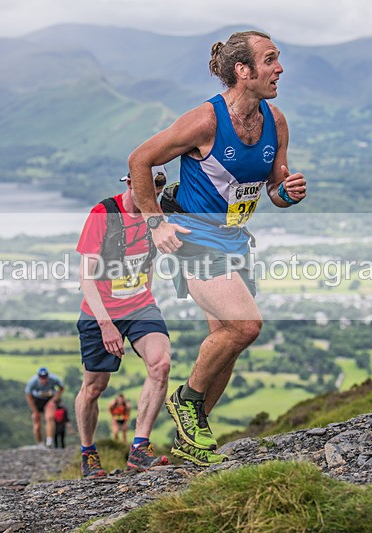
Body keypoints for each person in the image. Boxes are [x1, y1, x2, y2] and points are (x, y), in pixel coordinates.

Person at [127, 30, 306, 466]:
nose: (279, 68)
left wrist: (288, 192)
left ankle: (191, 440)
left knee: (224, 341)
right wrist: (156, 225)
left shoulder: (275, 121)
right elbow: (139, 161)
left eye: (278, 59)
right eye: (270, 60)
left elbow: (273, 188)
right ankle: (185, 401)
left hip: (233, 241)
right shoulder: (205, 121)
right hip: (192, 237)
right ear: (242, 71)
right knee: (245, 327)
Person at [74, 166, 172, 477]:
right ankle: (88, 453)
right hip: (100, 310)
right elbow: (85, 276)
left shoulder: (155, 215)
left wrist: (148, 294)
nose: (151, 197)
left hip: (140, 306)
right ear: (130, 182)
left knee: (161, 364)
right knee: (94, 387)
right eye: (146, 189)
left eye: (157, 191)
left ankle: (139, 449)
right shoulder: (104, 213)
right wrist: (106, 324)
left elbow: (150, 258)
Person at [24, 367, 65, 448]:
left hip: (49, 400)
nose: (44, 379)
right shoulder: (33, 382)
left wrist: (54, 399)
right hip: (37, 401)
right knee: (37, 422)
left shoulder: (54, 379)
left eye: (45, 377)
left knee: (49, 418)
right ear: (38, 377)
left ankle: (49, 441)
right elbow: (28, 396)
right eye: (41, 377)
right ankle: (40, 443)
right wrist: (34, 411)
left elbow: (62, 388)